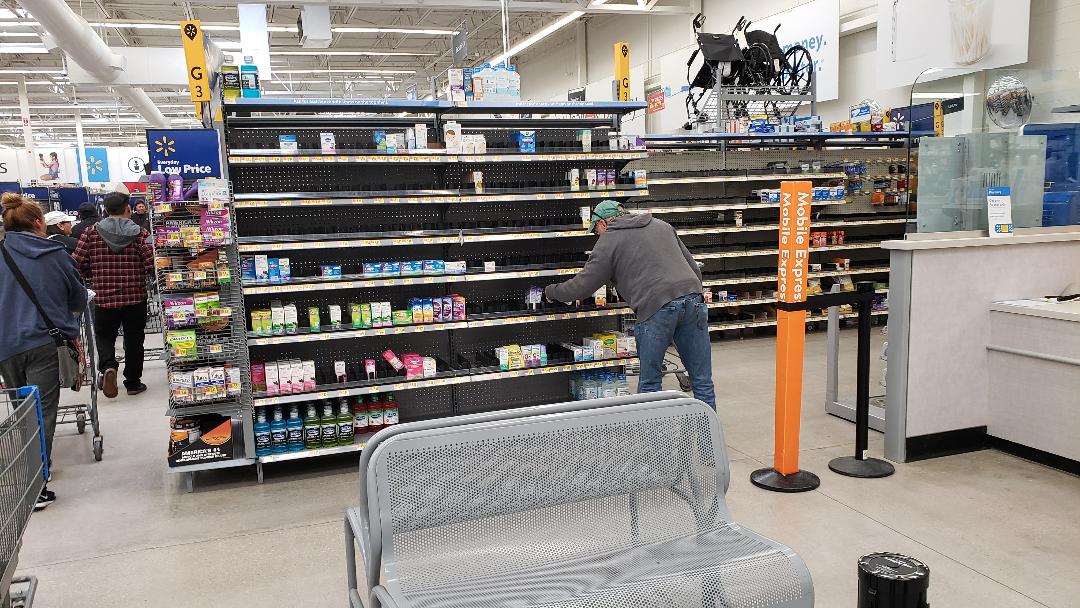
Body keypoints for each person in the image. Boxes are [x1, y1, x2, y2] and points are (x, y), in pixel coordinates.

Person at [544, 200, 716, 408]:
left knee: (650, 383)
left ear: (604, 223)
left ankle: (650, 440)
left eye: (596, 229)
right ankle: (709, 438)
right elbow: (693, 267)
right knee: (702, 380)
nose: (596, 234)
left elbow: (581, 286)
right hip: (693, 300)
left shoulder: (609, 240)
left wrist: (551, 292)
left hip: (656, 308)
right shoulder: (661, 225)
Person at [0, 193, 88, 510]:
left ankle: (31, 472)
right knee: (41, 413)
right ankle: (37, 485)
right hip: (43, 342)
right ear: (39, 222)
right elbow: (77, 297)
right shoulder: (54, 254)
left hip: (5, 345)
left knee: (22, 410)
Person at [72, 192, 153, 398]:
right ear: (128, 208)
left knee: (105, 336)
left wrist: (94, 274)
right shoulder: (140, 234)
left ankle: (108, 366)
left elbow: (77, 264)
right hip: (135, 297)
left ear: (105, 211)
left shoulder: (91, 233)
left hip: (104, 298)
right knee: (134, 339)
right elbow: (151, 264)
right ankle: (133, 382)